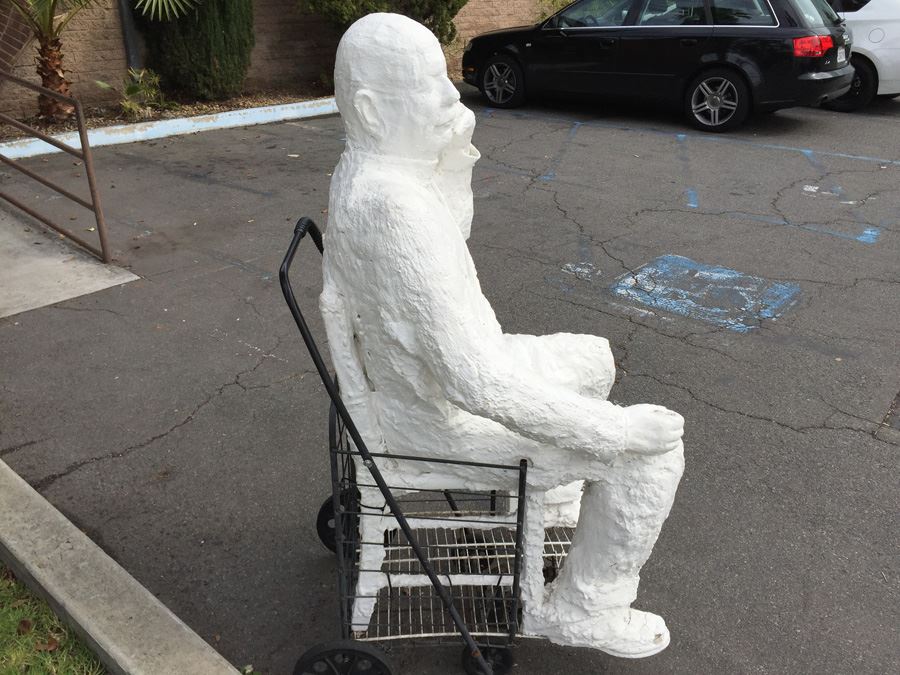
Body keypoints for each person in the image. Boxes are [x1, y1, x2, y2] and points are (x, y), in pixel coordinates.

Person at [320, 12, 685, 657]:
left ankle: (563, 504)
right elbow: (473, 381)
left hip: (434, 384)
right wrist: (612, 432)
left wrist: (453, 161)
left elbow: (447, 245)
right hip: (440, 421)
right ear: (374, 110)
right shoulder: (393, 211)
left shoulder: (370, 171)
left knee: (594, 358)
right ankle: (584, 608)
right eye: (431, 87)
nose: (453, 99)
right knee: (650, 456)